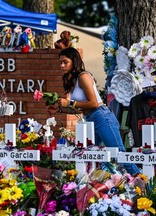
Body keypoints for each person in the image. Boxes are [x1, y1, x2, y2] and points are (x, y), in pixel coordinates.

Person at [48, 47, 140, 175]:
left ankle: (144, 183)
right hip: (91, 119)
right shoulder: (73, 81)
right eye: (60, 62)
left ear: (74, 61)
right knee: (89, 156)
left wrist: (68, 102)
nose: (62, 65)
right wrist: (59, 109)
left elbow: (94, 103)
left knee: (119, 154)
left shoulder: (83, 76)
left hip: (102, 117)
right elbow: (81, 108)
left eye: (65, 62)